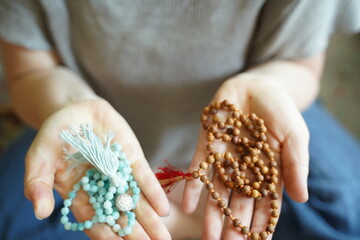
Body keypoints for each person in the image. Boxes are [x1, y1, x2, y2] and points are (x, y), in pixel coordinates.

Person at [0, 0, 359, 239]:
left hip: (258, 119)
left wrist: (267, 84)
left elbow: (300, 65)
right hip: (90, 134)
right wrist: (71, 103)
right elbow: (30, 74)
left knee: (349, 207)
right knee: (11, 215)